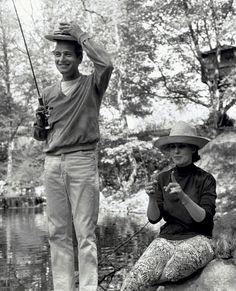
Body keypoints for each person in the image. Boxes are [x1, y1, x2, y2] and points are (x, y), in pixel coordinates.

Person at [33, 21, 113, 291]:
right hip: (52, 164)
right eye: (57, 54)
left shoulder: (92, 84)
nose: (61, 59)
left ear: (79, 57)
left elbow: (106, 62)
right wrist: (39, 127)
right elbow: (42, 136)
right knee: (57, 233)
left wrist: (80, 34)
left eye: (68, 54)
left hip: (82, 160)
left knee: (85, 234)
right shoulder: (47, 94)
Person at [121, 121, 217, 291]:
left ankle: (151, 283)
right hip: (167, 239)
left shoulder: (206, 179)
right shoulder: (162, 178)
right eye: (172, 147)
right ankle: (145, 282)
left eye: (181, 146)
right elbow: (153, 218)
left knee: (174, 269)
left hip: (199, 238)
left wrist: (183, 197)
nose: (176, 151)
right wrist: (151, 198)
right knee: (132, 281)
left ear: (193, 148)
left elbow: (206, 221)